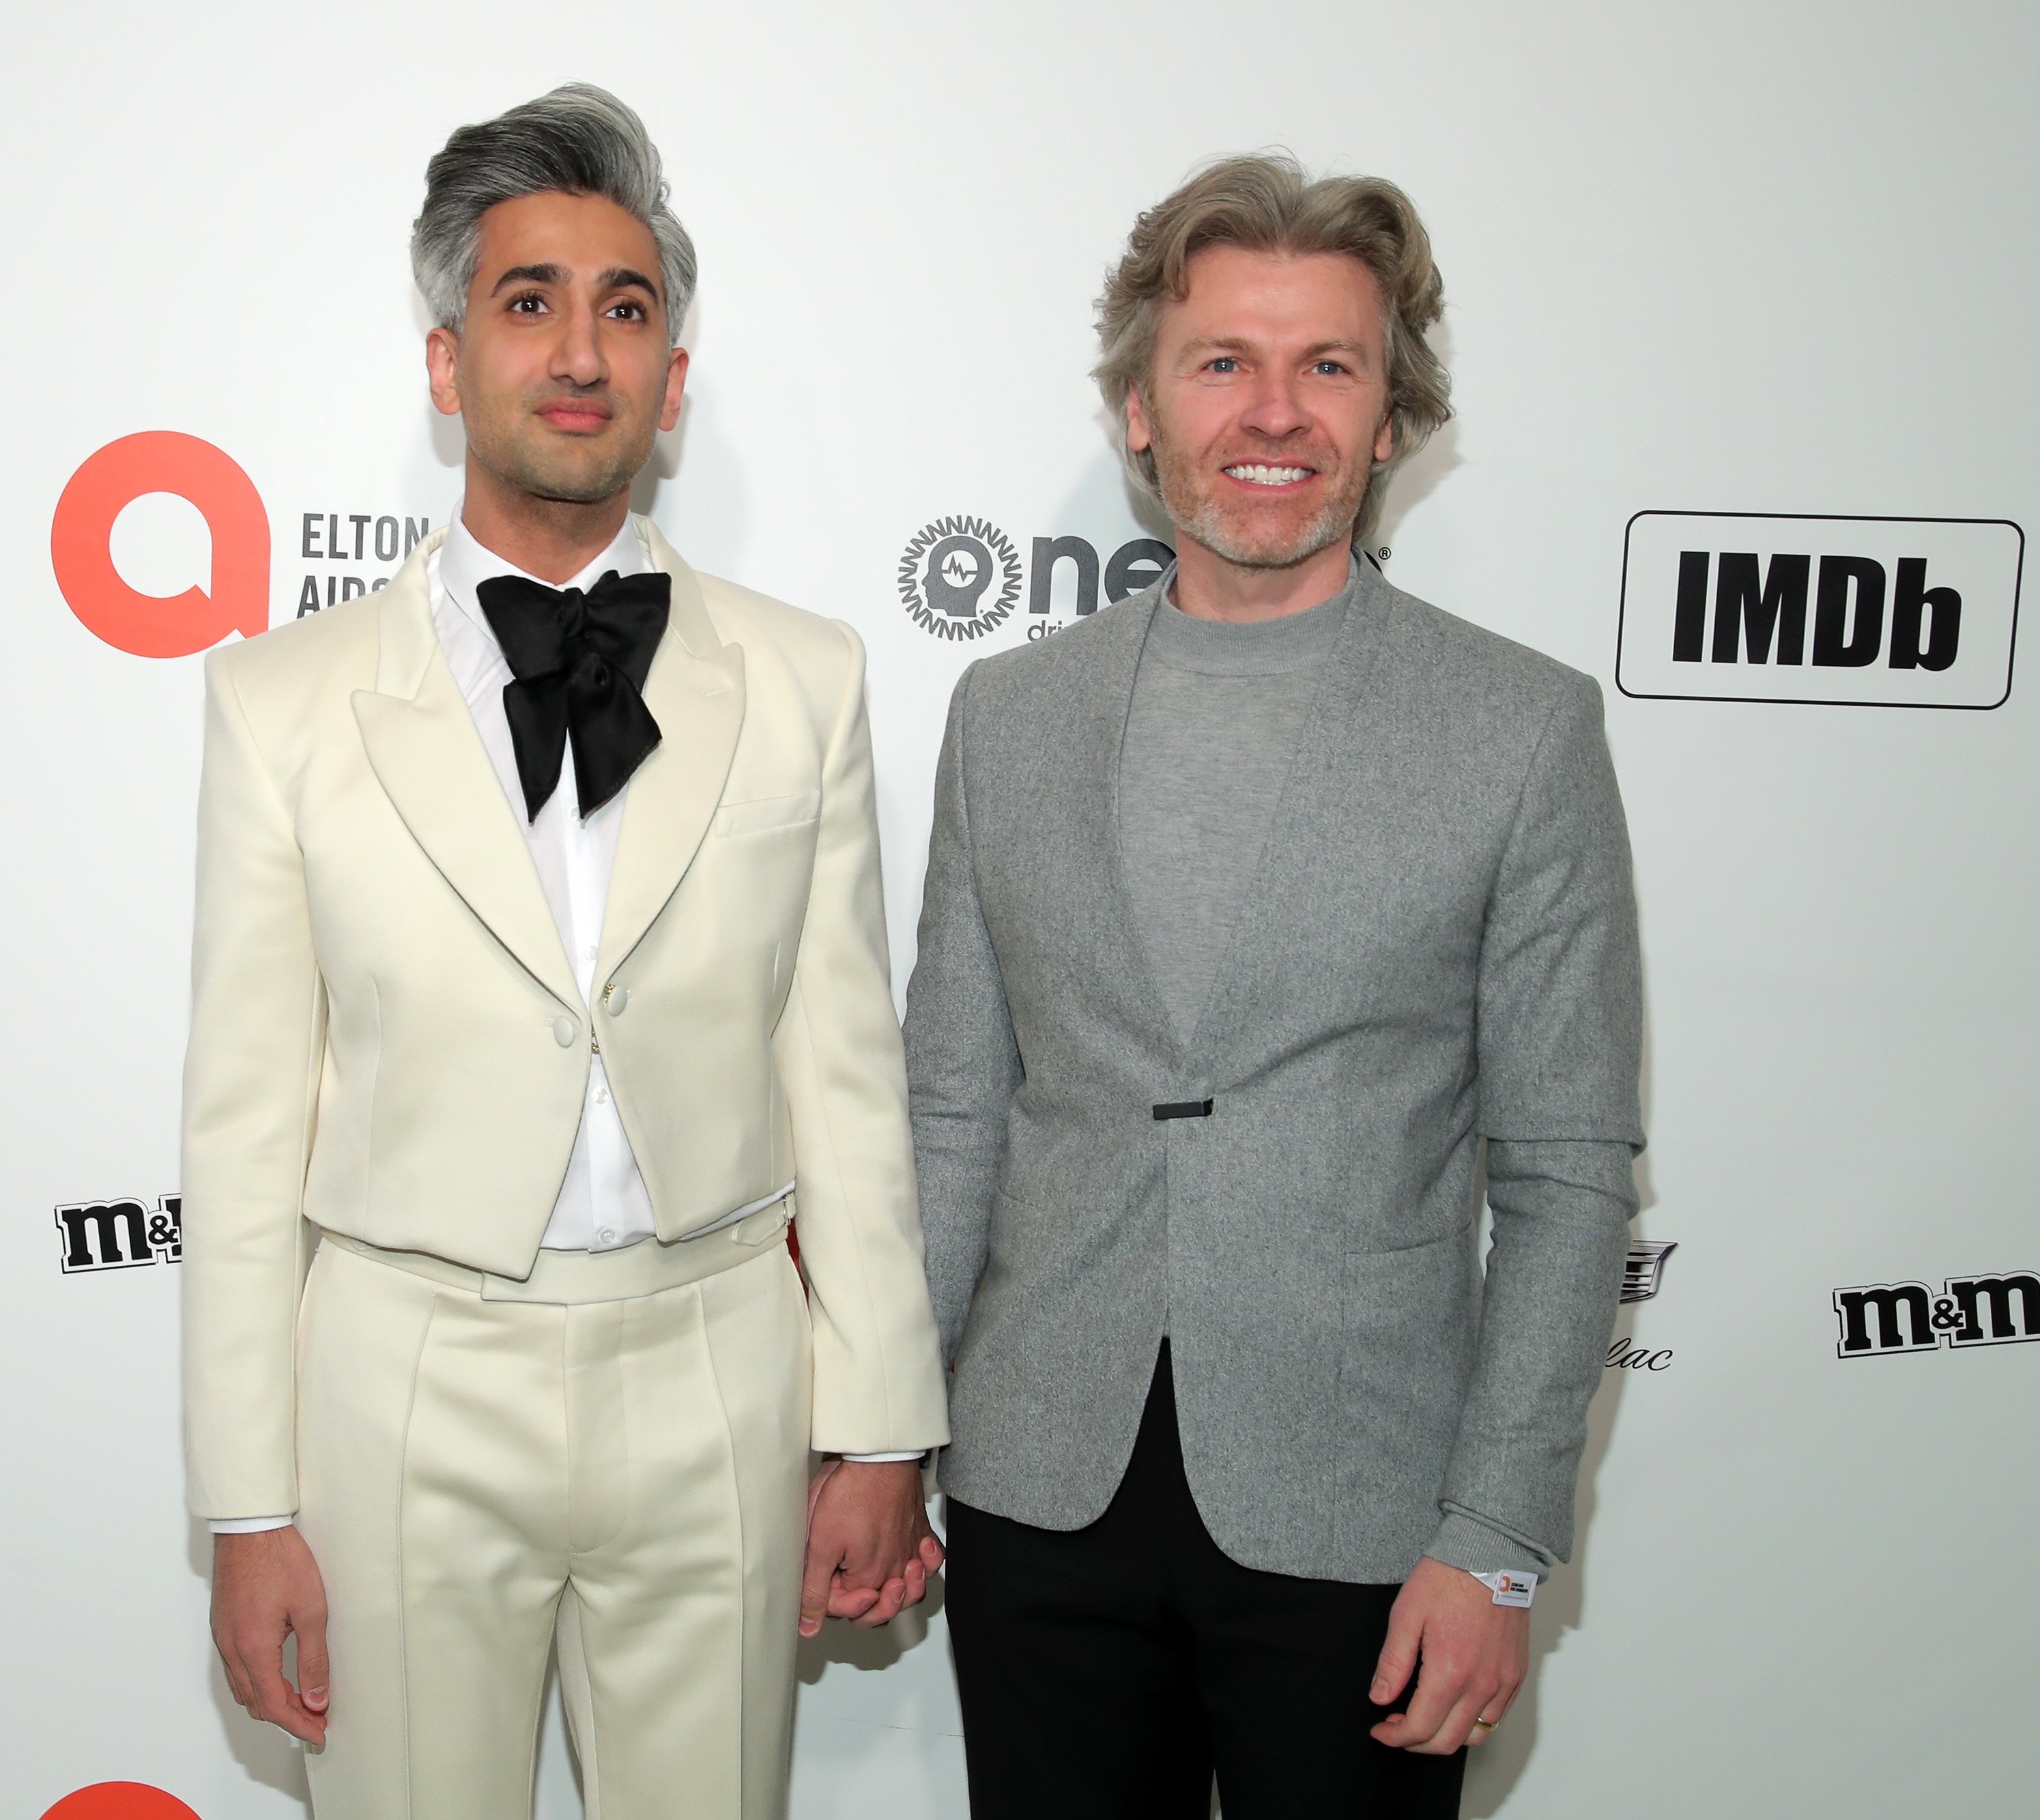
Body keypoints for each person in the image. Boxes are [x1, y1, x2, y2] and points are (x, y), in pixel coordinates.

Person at [179, 85, 947, 1819]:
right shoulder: (280, 702)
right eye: (526, 301)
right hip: (399, 1371)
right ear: (447, 362)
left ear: (673, 381)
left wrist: (882, 1417)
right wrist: (245, 1505)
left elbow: (845, 1075)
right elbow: (239, 1128)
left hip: (717, 1362)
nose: (577, 350)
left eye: (624, 306)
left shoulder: (804, 677)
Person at [903, 152, 1644, 1818]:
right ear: (1136, 407)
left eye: (1329, 365)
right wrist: (882, 1435)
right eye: (1221, 359)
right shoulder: (1004, 717)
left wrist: (1500, 1540)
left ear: (1392, 420)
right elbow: (951, 1106)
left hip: (1369, 1513)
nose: (1274, 411)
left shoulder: (1517, 731)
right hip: (1037, 1483)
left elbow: (1565, 1167)